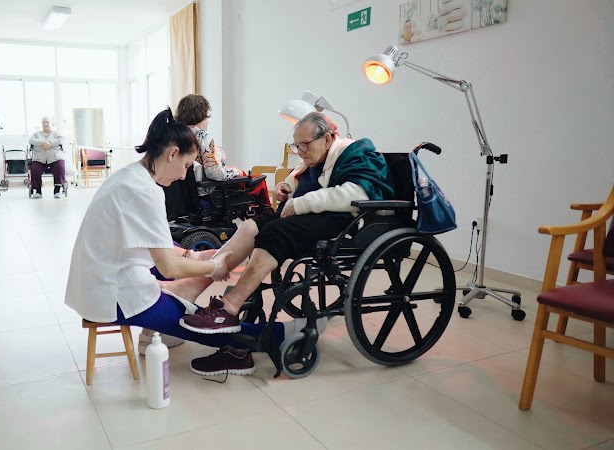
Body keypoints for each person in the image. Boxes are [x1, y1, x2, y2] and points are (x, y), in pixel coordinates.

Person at [64, 109, 319, 377]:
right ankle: (280, 333)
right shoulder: (144, 191)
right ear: (173, 153)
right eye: (187, 166)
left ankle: (181, 292)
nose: (185, 176)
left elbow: (150, 242)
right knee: (199, 323)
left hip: (100, 275)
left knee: (191, 279)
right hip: (109, 294)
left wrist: (192, 255)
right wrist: (214, 267)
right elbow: (170, 266)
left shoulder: (129, 175)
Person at [174, 112, 394, 337]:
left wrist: (301, 203)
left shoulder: (355, 153)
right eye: (296, 146)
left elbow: (358, 193)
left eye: (304, 145)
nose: (300, 152)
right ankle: (194, 286)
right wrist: (285, 187)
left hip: (340, 222)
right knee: (250, 226)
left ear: (327, 139)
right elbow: (298, 178)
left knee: (274, 233)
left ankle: (229, 307)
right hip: (308, 216)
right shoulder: (314, 156)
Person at [175, 94, 272, 209]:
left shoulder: (178, 135)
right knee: (259, 181)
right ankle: (266, 216)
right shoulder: (202, 136)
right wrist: (235, 172)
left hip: (187, 194)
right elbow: (214, 173)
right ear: (203, 115)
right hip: (209, 192)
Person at [28, 116, 67, 199]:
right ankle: (38, 191)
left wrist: (50, 143)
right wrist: (42, 143)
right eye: (43, 122)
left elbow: (62, 140)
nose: (45, 124)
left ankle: (57, 190)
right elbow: (31, 140)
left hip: (54, 158)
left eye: (47, 122)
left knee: (60, 167)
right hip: (40, 158)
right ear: (41, 124)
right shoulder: (37, 134)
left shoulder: (56, 133)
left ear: (51, 123)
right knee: (34, 169)